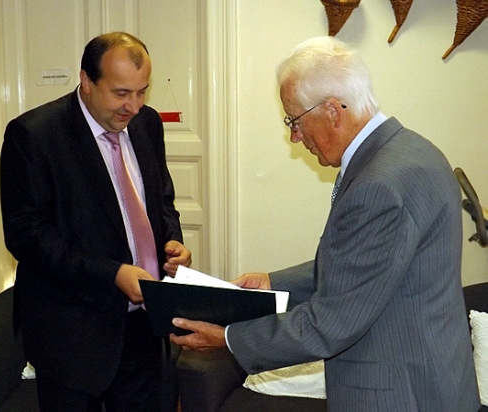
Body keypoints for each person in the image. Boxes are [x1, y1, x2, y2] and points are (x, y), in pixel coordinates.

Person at [170, 36, 480, 411]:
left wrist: (229, 338)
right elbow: (368, 266)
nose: (294, 137)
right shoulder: (414, 150)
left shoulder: (378, 186)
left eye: (294, 121)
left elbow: (330, 324)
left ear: (332, 111)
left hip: (399, 394)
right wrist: (274, 283)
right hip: (434, 379)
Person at [0, 32, 191, 412]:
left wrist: (171, 241)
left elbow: (160, 200)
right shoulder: (34, 135)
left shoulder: (147, 123)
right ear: (86, 81)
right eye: (121, 93)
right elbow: (26, 236)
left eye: (141, 92)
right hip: (72, 334)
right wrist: (112, 274)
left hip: (144, 326)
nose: (133, 106)